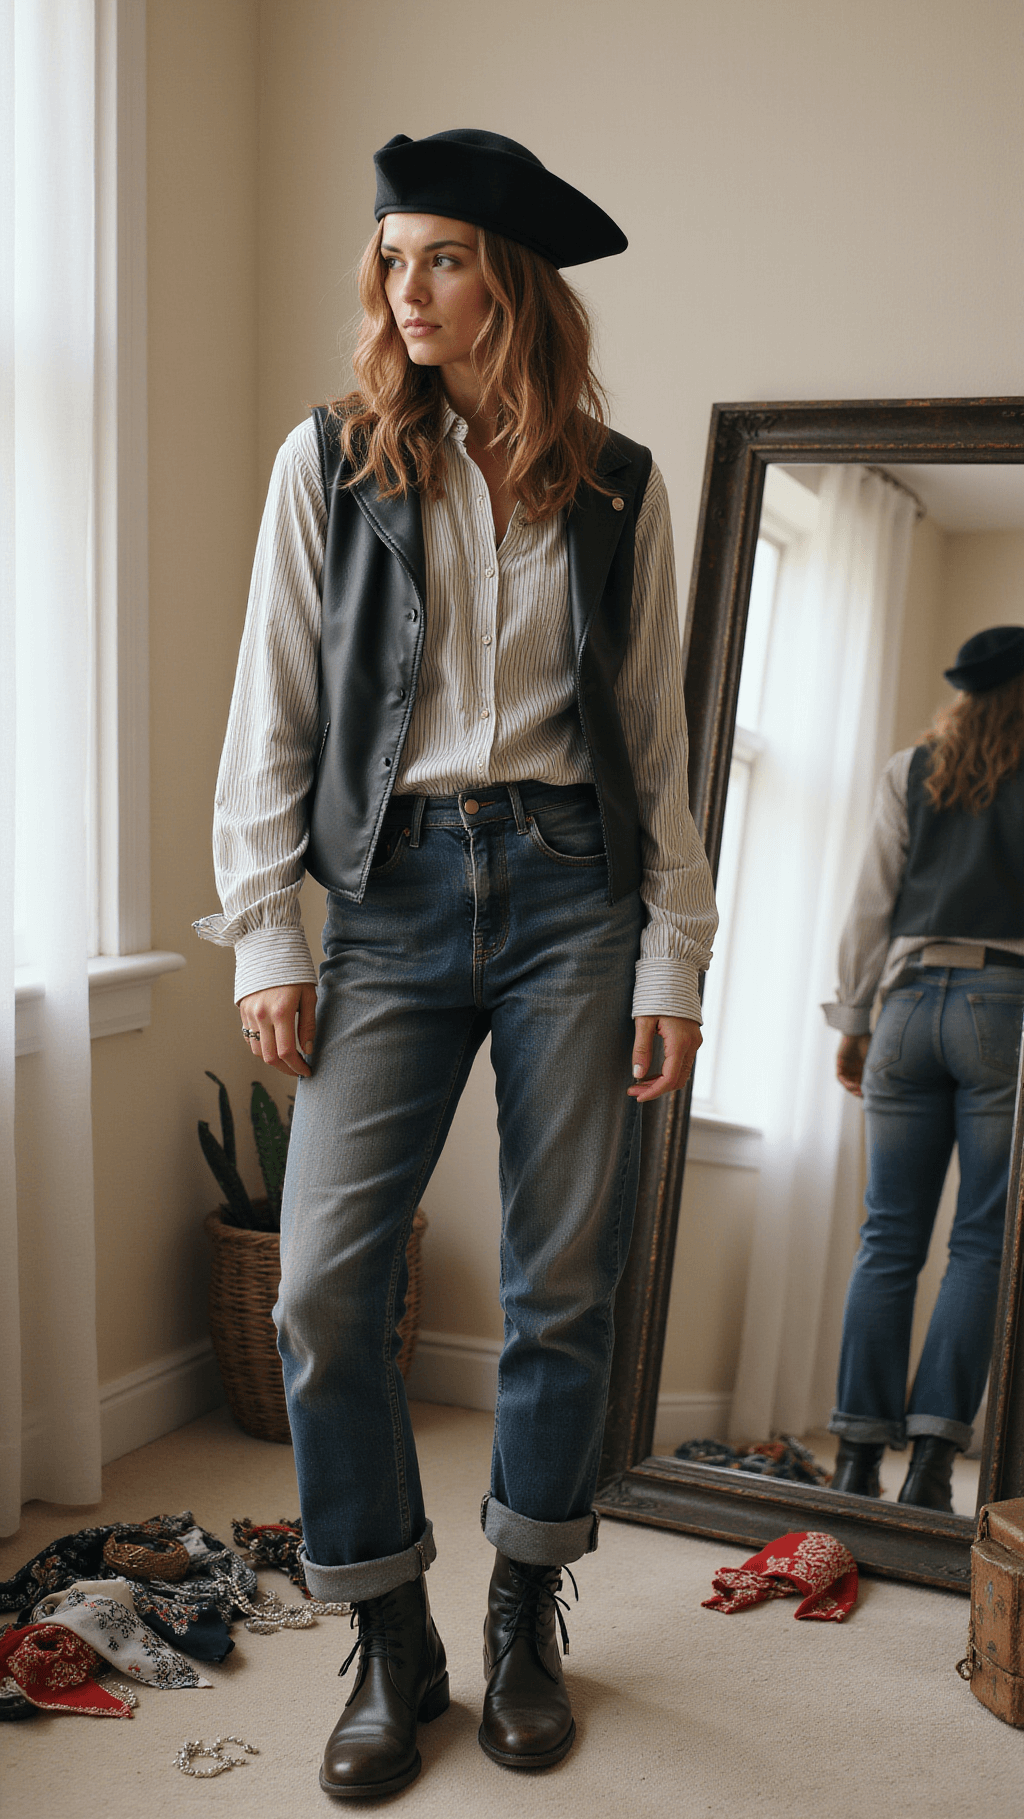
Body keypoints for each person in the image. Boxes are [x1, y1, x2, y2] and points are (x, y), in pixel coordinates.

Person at [195, 128, 717, 1797]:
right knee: (324, 1289)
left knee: (557, 1288)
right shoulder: (328, 465)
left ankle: (515, 1615)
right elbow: (269, 710)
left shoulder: (617, 482)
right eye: (392, 259)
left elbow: (650, 739)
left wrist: (672, 962)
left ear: (513, 282)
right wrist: (267, 928)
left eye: (442, 260)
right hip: (395, 896)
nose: (405, 291)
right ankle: (388, 1633)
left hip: (575, 891)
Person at [824, 625, 1024, 1512]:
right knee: (981, 1242)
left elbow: (870, 904)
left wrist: (854, 1018)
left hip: (904, 1007)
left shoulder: (910, 770)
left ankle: (856, 1460)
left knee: (887, 1241)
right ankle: (935, 1468)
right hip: (1005, 1012)